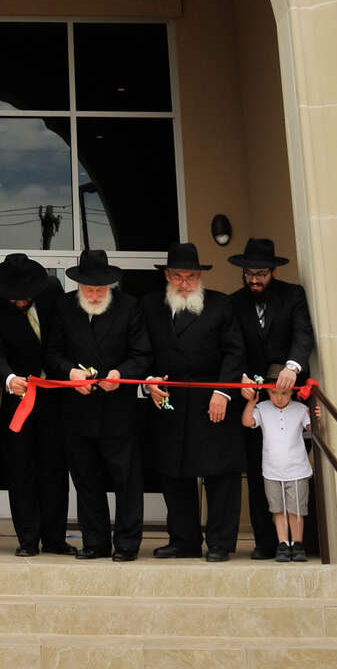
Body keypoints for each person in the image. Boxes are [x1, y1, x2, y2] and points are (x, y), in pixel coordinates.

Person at [142, 241, 246, 562]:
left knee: (219, 477)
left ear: (199, 277)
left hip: (212, 402)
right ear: (167, 277)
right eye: (178, 277)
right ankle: (184, 540)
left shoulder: (220, 305)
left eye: (190, 277)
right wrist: (149, 381)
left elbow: (235, 351)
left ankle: (219, 542)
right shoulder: (149, 306)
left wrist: (223, 391)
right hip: (170, 405)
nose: (184, 284)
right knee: (174, 475)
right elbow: (141, 351)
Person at [46, 249, 152, 561]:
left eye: (99, 289)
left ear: (109, 286)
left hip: (119, 410)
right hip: (78, 411)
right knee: (86, 479)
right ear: (78, 286)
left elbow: (142, 354)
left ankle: (128, 543)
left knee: (126, 481)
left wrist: (121, 374)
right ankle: (95, 541)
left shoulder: (129, 307)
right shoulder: (64, 307)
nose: (94, 294)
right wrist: (70, 373)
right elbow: (52, 353)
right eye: (89, 289)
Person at [227, 236, 317, 560]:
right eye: (250, 273)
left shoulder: (293, 295)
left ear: (272, 273)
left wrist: (293, 367)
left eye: (261, 273)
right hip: (254, 400)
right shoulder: (234, 303)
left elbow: (303, 333)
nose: (255, 279)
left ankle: (303, 542)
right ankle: (267, 543)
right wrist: (240, 380)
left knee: (297, 470)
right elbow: (231, 346)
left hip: (289, 395)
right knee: (257, 471)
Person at [0, 252, 74, 558]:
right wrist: (9, 378)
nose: (21, 302)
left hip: (53, 397)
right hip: (18, 398)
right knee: (21, 470)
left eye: (25, 297)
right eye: (15, 298)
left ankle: (56, 539)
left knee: (54, 468)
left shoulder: (52, 291)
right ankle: (28, 539)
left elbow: (62, 337)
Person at [241, 378, 314, 561]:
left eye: (284, 393)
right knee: (278, 510)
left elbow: (312, 428)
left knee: (296, 510)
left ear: (292, 392)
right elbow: (247, 422)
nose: (279, 398)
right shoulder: (263, 408)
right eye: (274, 393)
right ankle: (283, 543)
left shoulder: (299, 409)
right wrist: (252, 403)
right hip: (272, 469)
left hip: (297, 468)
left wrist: (316, 415)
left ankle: (297, 544)